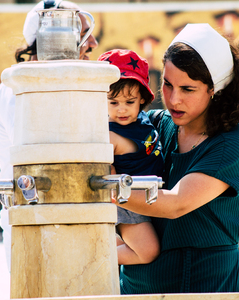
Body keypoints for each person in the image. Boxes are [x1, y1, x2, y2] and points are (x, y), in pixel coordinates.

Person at [116, 23, 239, 293]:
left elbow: (175, 204)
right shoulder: (156, 126)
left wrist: (103, 189)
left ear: (214, 89)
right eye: (168, 84)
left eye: (188, 89)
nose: (173, 99)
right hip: (137, 287)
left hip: (205, 286)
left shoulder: (232, 144)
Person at [0, 0, 98, 272]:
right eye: (82, 32)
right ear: (53, 34)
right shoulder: (18, 88)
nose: (93, 43)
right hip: (33, 215)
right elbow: (44, 156)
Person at [98, 49, 164, 265]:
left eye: (129, 102)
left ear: (142, 99)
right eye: (113, 102)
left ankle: (108, 247)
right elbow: (109, 180)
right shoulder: (109, 135)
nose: (122, 110)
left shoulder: (140, 119)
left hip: (148, 195)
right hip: (130, 204)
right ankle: (95, 257)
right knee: (148, 251)